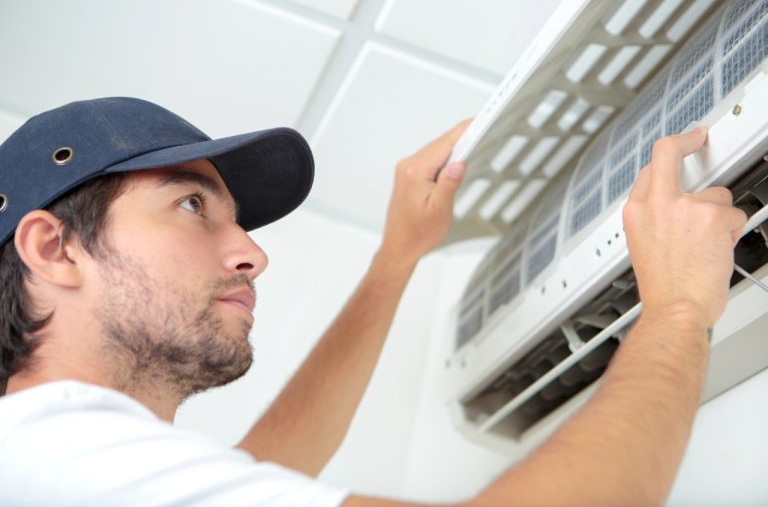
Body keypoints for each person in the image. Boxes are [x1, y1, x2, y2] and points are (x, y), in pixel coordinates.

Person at [0, 97, 746, 506]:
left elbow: (267, 466)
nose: (253, 253)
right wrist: (679, 309)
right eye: (193, 205)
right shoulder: (45, 449)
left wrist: (396, 260)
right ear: (53, 248)